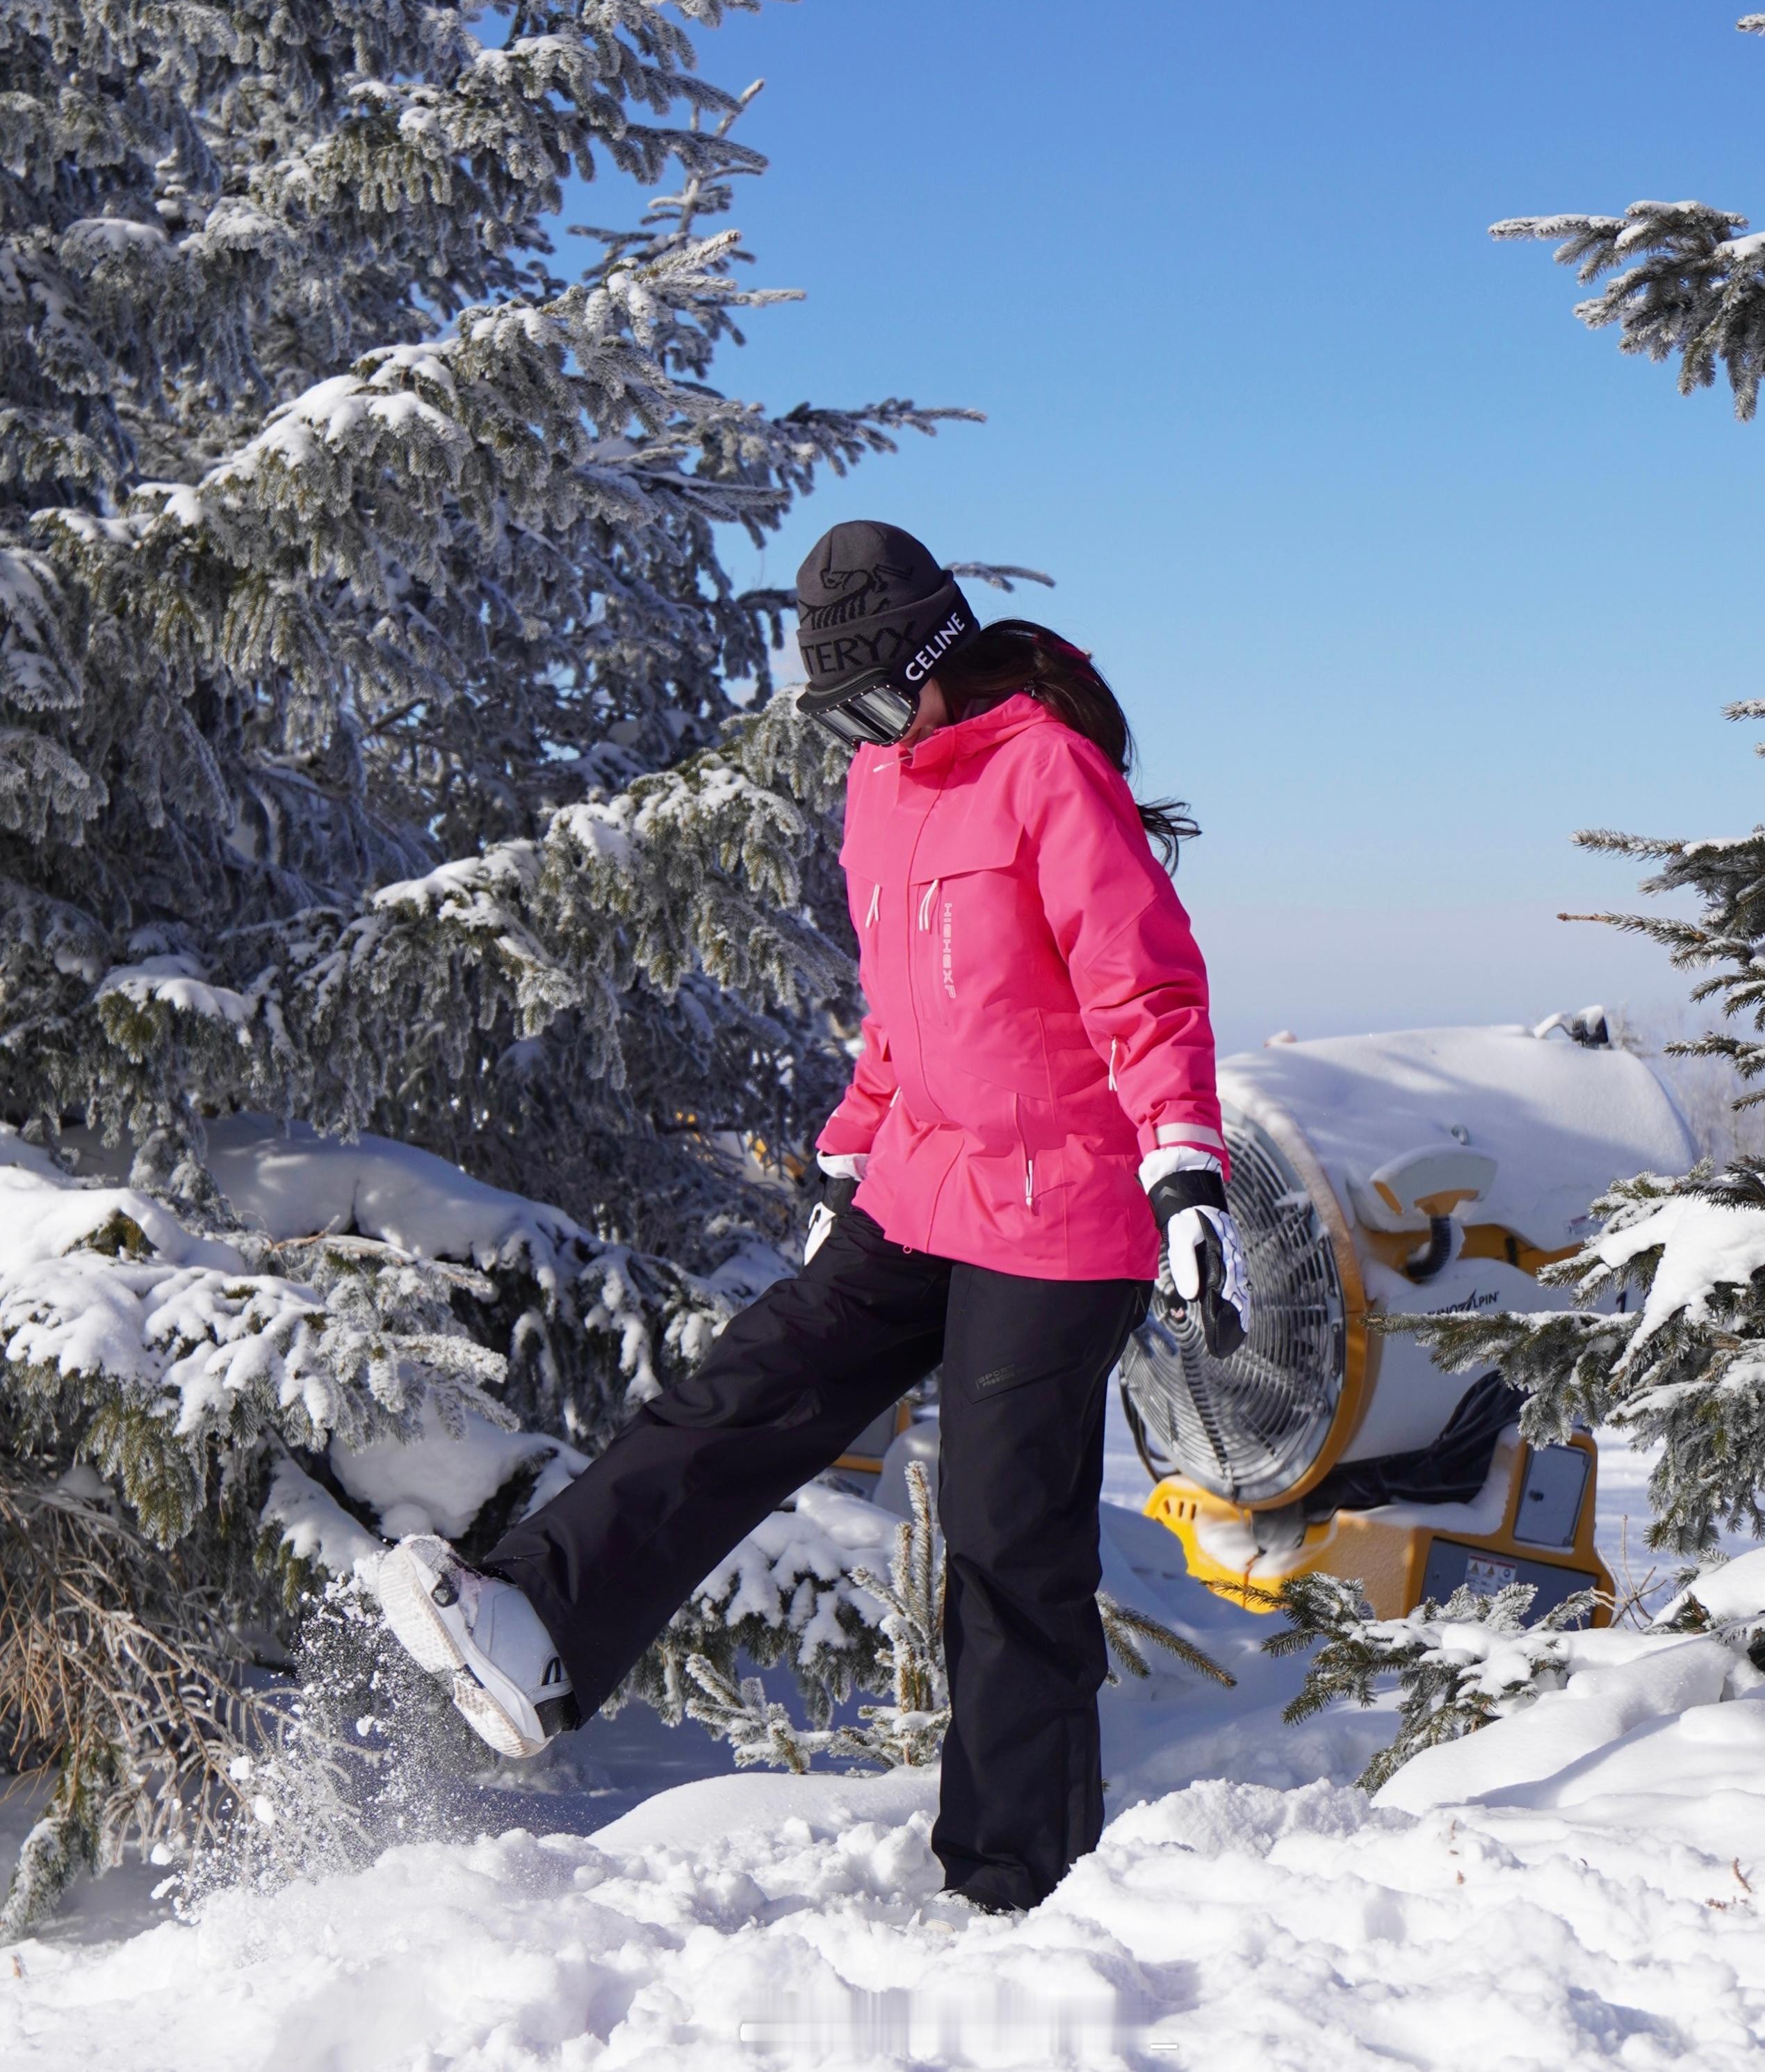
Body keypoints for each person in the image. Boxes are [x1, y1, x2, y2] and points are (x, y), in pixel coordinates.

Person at [375, 520, 1250, 1913]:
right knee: (753, 1383)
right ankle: (534, 1623)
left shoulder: (1045, 773)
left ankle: (1014, 1878)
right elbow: (904, 1014)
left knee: (1000, 1536)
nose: (862, 732)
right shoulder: (878, 786)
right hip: (921, 1179)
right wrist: (848, 1149)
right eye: (835, 713)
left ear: (935, 660)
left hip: (1064, 1208)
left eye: (874, 700)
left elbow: (1144, 991)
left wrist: (1185, 1169)